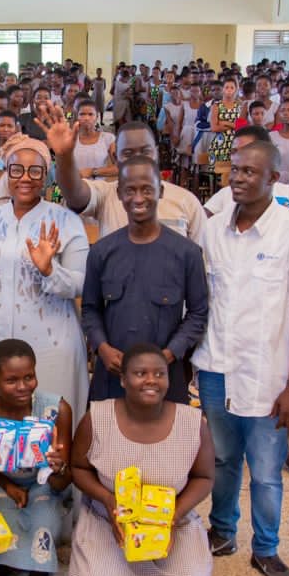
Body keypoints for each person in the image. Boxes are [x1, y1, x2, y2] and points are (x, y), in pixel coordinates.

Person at [193, 141, 289, 576]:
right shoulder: (211, 232)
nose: (238, 178)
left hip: (269, 375)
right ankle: (222, 532)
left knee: (266, 470)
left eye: (251, 172)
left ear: (274, 179)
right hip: (215, 367)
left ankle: (266, 548)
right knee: (224, 458)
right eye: (235, 170)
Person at [59, 344, 215, 576]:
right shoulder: (97, 418)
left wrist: (173, 515)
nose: (151, 381)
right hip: (107, 520)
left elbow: (204, 477)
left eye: (159, 374)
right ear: (123, 380)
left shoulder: (192, 422)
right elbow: (78, 469)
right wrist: (108, 499)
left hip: (175, 523)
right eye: (140, 373)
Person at [0, 134, 90, 426]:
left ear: (46, 176)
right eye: (17, 169)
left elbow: (81, 284)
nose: (25, 178)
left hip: (52, 342)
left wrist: (49, 270)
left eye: (35, 171)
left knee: (51, 426)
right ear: (7, 172)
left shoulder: (65, 221)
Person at [82, 156, 208, 404]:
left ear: (160, 191)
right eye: (130, 190)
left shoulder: (187, 253)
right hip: (112, 377)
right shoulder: (102, 252)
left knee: (166, 441)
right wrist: (102, 348)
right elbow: (90, 309)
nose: (138, 198)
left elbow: (198, 313)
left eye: (147, 189)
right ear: (119, 194)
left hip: (165, 379)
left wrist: (170, 354)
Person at [0, 339, 73, 576]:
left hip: (42, 481)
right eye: (11, 380)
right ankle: (3, 566)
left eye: (29, 377)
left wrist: (59, 467)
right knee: (2, 517)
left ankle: (39, 570)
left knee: (44, 519)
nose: (23, 387)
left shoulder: (56, 410)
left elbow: (62, 482)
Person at [42, 105, 206, 251]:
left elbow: (200, 262)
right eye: (127, 153)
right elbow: (74, 193)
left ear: (156, 153)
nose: (137, 159)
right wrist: (64, 156)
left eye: (145, 151)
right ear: (116, 158)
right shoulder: (105, 193)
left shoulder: (186, 201)